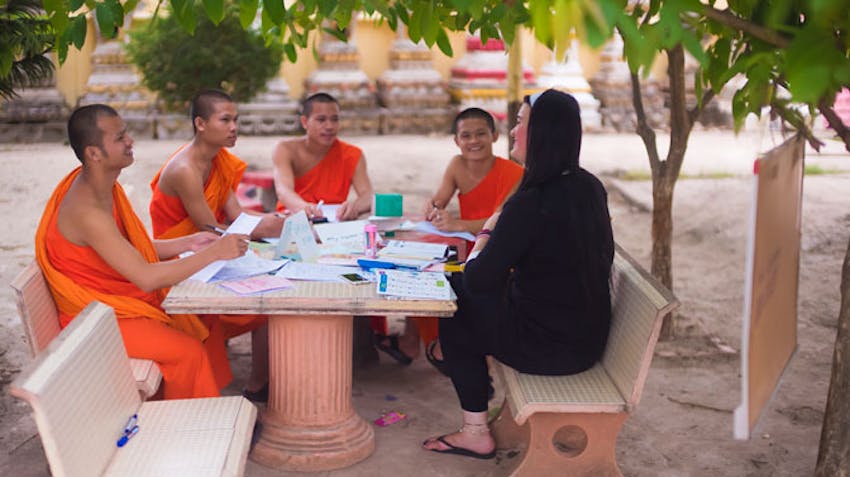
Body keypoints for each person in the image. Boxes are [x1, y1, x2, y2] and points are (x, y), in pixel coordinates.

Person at [422, 89, 615, 459]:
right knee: (466, 290)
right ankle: (468, 382)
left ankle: (475, 431)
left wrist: (488, 230)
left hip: (550, 348)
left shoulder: (532, 201)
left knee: (456, 299)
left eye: (521, 122)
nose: (513, 131)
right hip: (583, 339)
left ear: (542, 132)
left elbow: (479, 279)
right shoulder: (589, 186)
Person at [35, 104, 250, 400]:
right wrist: (215, 253)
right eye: (120, 137)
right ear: (94, 153)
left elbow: (134, 251)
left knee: (202, 321)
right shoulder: (87, 211)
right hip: (99, 319)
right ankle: (183, 429)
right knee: (188, 353)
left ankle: (205, 402)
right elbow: (146, 278)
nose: (130, 141)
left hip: (117, 302)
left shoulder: (102, 186)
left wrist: (188, 243)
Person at [149, 89, 281, 401]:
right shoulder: (185, 170)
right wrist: (267, 229)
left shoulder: (217, 160)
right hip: (180, 264)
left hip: (209, 251)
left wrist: (276, 222)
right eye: (225, 120)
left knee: (274, 296)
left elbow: (236, 215)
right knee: (264, 302)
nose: (234, 127)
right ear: (200, 124)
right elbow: (210, 229)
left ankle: (259, 383)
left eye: (236, 119)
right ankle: (215, 394)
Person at [417, 107, 524, 372]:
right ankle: (429, 342)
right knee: (421, 274)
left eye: (481, 134)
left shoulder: (514, 173)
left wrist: (457, 224)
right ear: (456, 140)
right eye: (466, 135)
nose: (473, 141)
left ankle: (467, 352)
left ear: (495, 136)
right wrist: (433, 206)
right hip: (462, 243)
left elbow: (502, 223)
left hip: (494, 250)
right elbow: (441, 197)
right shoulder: (456, 165)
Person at [271, 92, 374, 221]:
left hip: (334, 221)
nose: (329, 126)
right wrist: (304, 207)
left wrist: (355, 207)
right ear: (304, 122)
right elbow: (283, 190)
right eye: (321, 120)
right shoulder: (286, 150)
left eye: (334, 119)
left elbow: (368, 195)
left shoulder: (352, 154)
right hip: (293, 219)